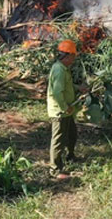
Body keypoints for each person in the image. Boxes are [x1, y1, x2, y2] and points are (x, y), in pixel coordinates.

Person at [48, 39, 82, 179]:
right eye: (73, 57)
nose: (74, 60)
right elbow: (57, 92)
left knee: (72, 134)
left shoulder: (63, 69)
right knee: (58, 140)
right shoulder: (59, 70)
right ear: (67, 56)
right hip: (60, 111)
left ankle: (70, 156)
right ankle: (55, 170)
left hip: (67, 110)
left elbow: (66, 87)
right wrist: (65, 107)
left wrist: (79, 88)